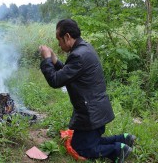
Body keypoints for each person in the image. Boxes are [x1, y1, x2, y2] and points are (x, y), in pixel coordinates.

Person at [38, 19, 136, 163]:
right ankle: (124, 139)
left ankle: (118, 149)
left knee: (81, 148)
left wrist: (46, 60)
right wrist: (53, 60)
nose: (58, 44)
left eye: (59, 40)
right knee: (88, 142)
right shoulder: (84, 48)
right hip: (96, 108)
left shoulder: (78, 55)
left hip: (91, 113)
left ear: (67, 37)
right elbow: (68, 72)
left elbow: (56, 80)